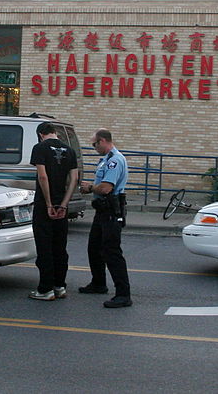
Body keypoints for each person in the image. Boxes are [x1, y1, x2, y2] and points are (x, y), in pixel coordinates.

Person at [79, 128, 132, 308]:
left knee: (112, 252)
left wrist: (90, 188)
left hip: (111, 211)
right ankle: (99, 283)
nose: (93, 147)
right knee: (94, 248)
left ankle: (123, 294)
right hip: (102, 211)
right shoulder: (105, 160)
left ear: (102, 141)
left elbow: (106, 188)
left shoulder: (114, 161)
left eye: (94, 144)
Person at [27, 122, 79, 301]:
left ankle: (45, 289)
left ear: (41, 134)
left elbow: (43, 176)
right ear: (55, 133)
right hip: (62, 205)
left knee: (44, 247)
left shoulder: (39, 148)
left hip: (44, 206)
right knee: (60, 247)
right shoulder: (70, 151)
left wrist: (48, 204)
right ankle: (60, 286)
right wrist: (64, 204)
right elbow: (74, 178)